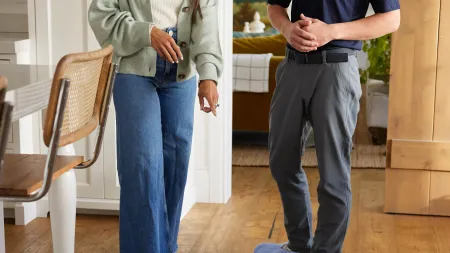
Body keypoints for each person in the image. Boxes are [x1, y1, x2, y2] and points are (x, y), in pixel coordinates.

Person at [256, 1, 400, 253]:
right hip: (292, 67)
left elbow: (391, 19)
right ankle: (299, 245)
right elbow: (275, 7)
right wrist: (288, 29)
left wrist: (332, 31)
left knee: (333, 173)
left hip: (337, 70)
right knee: (282, 162)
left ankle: (326, 250)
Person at [88, 0, 222, 252]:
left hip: (181, 73)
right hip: (133, 69)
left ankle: (166, 247)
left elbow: (207, 28)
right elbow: (100, 14)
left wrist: (209, 76)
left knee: (175, 165)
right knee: (143, 166)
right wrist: (147, 33)